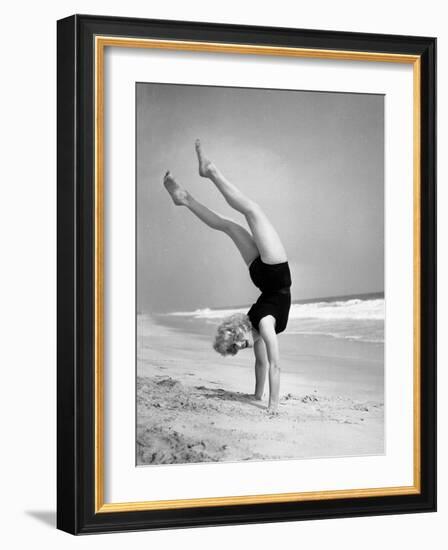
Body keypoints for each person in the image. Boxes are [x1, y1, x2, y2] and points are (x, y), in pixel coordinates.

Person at [163, 140, 292, 413]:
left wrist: (270, 403)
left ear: (242, 330)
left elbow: (271, 364)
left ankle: (209, 173)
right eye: (240, 345)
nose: (244, 344)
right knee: (231, 223)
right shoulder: (257, 326)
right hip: (263, 276)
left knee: (250, 212)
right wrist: (264, 401)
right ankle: (185, 198)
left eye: (240, 342)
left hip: (274, 271)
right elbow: (266, 364)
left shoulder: (264, 326)